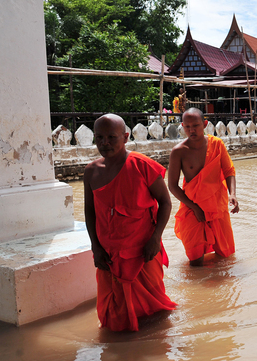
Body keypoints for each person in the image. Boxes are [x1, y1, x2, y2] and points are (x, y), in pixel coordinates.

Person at [83, 114, 176, 331]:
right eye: (99, 138)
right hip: (109, 252)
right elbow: (90, 211)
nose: (105, 143)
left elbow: (165, 203)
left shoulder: (143, 165)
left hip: (143, 250)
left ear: (125, 137)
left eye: (111, 137)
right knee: (114, 315)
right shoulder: (91, 171)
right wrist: (95, 247)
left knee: (154, 310)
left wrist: (156, 238)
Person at [168, 108, 240, 266]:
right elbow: (172, 186)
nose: (191, 130)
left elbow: (229, 170)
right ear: (182, 126)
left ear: (205, 124)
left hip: (217, 205)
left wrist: (232, 194)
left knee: (225, 258)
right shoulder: (179, 151)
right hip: (192, 208)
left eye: (196, 125)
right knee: (195, 261)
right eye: (187, 127)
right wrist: (194, 208)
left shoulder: (217, 144)